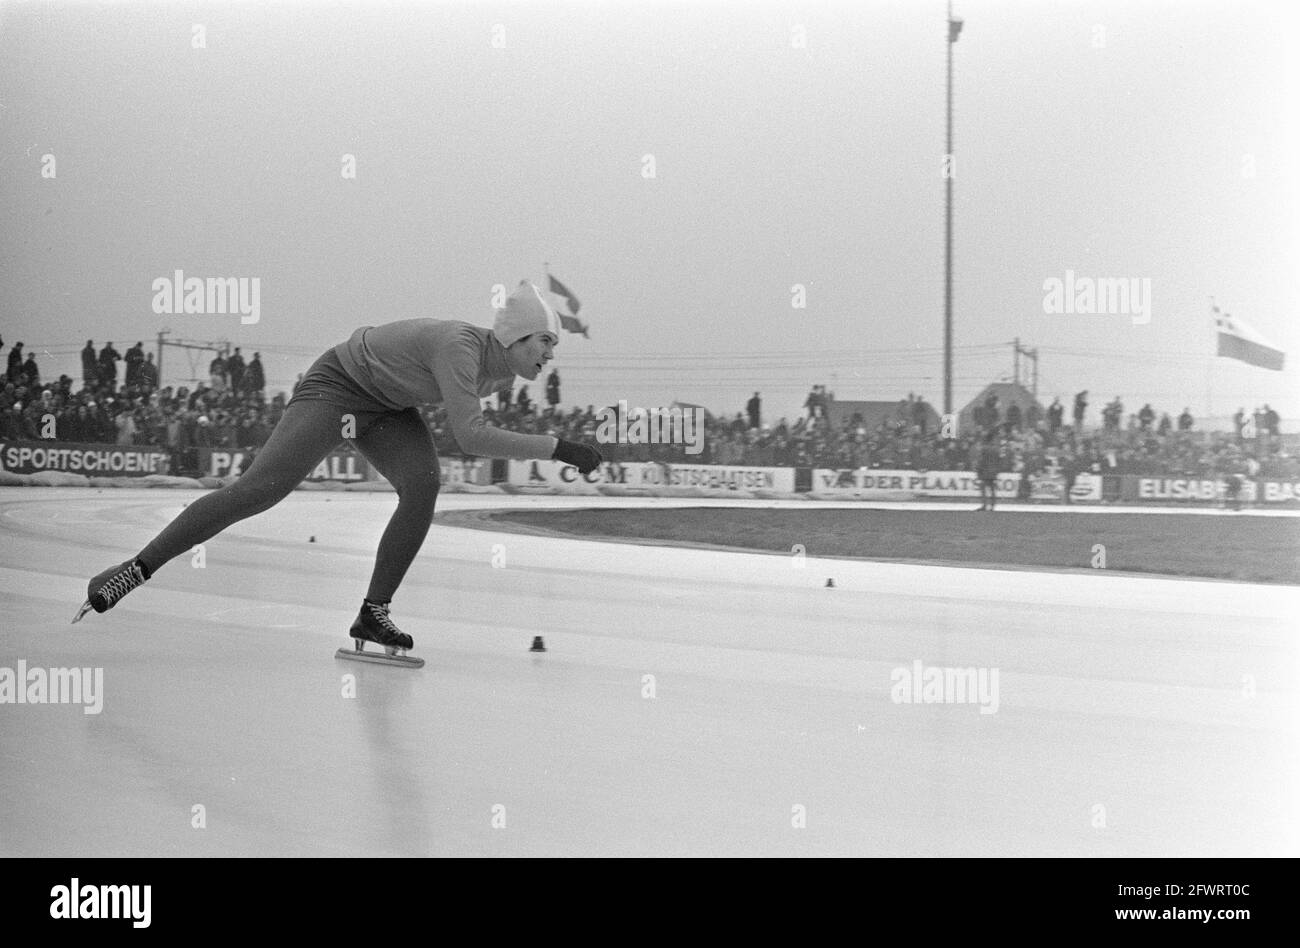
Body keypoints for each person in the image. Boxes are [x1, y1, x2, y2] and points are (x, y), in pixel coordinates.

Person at [74, 282, 602, 658]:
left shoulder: (500, 373)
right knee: (260, 490)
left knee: (422, 485)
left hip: (386, 406)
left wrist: (556, 445)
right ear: (515, 336)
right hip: (339, 386)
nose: (551, 354)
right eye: (545, 341)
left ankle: (373, 612)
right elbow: (470, 436)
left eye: (554, 344)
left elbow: (464, 424)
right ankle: (133, 570)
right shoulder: (461, 349)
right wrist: (560, 447)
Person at [974, 430, 1001, 512]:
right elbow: (998, 461)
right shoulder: (996, 449)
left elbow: (982, 461)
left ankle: (984, 505)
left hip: (985, 471)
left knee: (983, 488)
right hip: (994, 472)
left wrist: (978, 469)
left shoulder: (984, 449)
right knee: (992, 489)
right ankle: (992, 506)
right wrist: (997, 470)